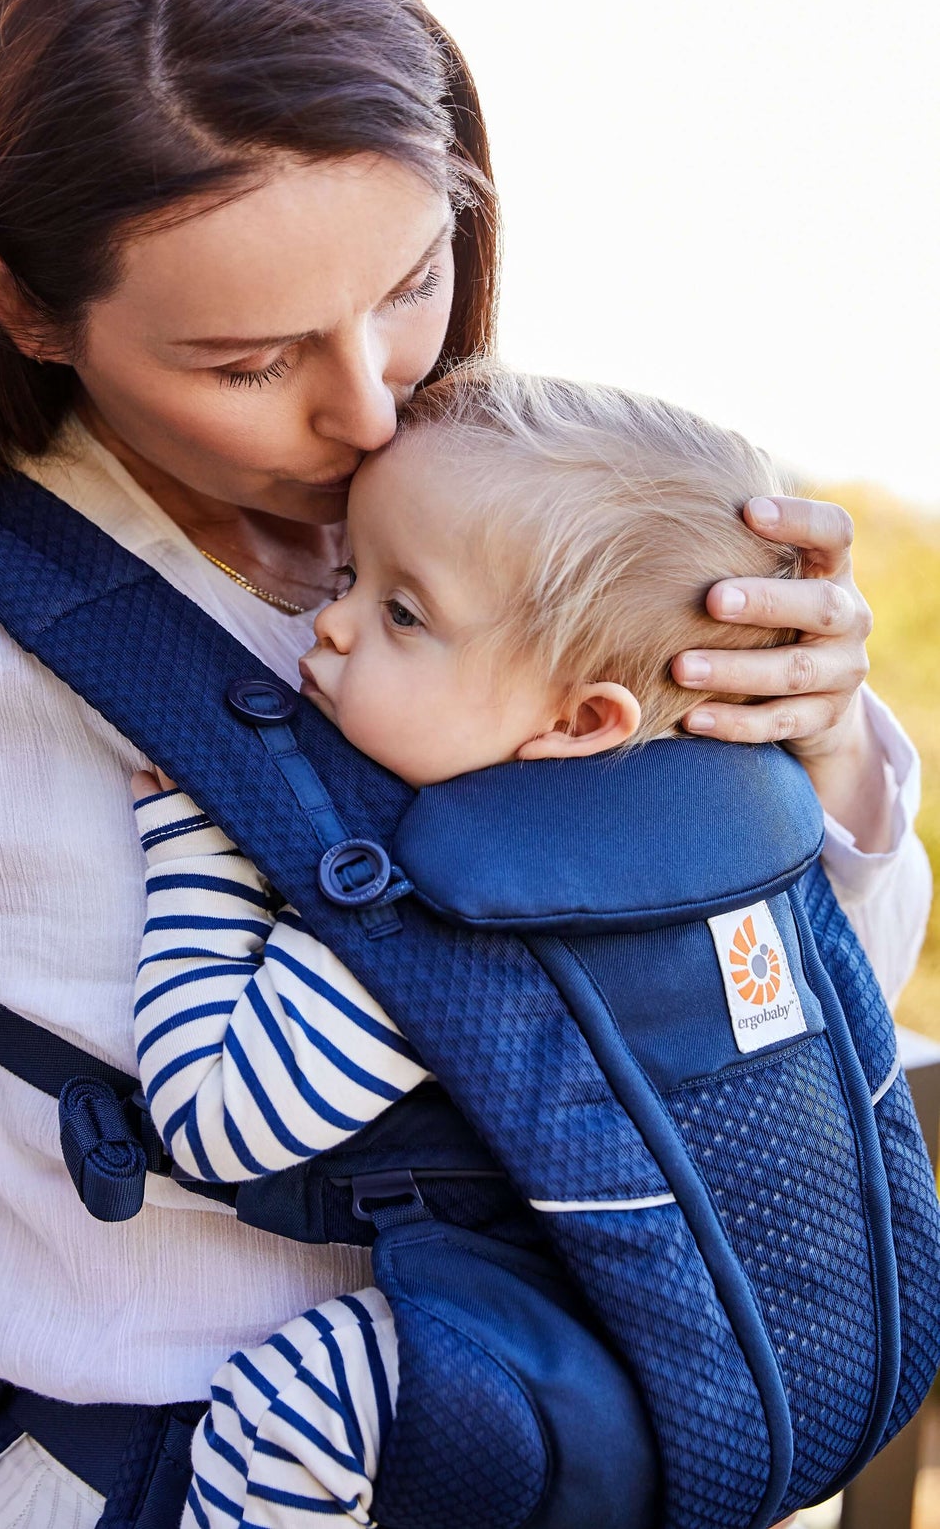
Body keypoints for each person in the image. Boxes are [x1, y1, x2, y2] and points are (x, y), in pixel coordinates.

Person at [0, 0, 928, 1529]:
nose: (367, 409)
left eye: (410, 282)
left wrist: (812, 761)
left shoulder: (521, 526)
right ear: (19, 303)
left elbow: (783, 1034)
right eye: (248, 358)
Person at [120, 366, 882, 1528]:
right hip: (714, 1376)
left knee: (296, 1400)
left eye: (401, 613)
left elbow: (220, 1119)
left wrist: (196, 848)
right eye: (346, 574)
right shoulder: (736, 825)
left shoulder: (461, 901)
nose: (329, 622)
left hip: (562, 1389)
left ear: (579, 719)